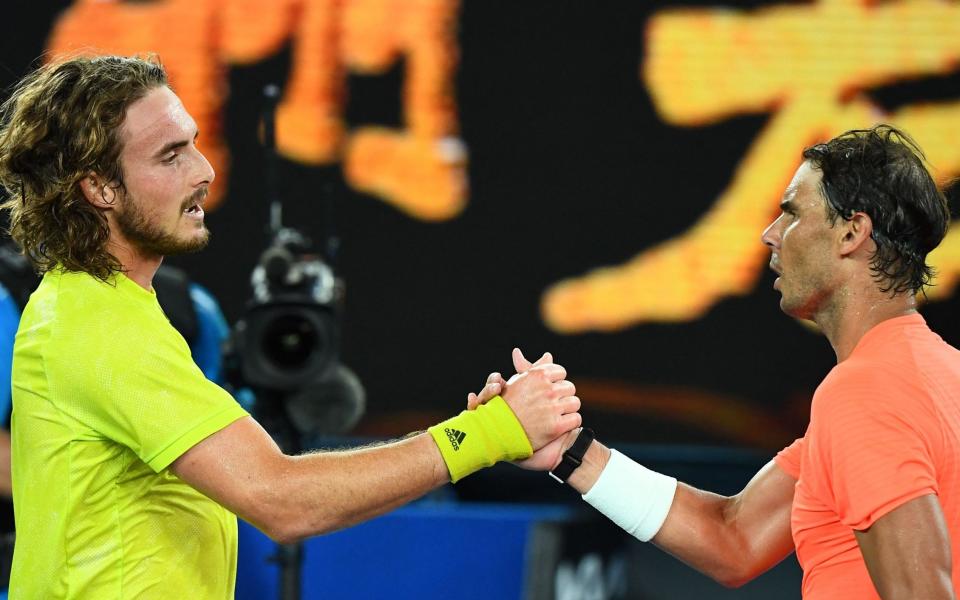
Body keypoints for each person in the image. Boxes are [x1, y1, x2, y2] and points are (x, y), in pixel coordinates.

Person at [0, 55, 582, 599]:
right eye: (170, 155)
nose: (204, 171)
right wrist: (491, 433)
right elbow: (282, 500)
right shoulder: (102, 329)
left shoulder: (97, 308)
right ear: (99, 188)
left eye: (195, 145)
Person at [474, 125, 959, 598]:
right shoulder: (933, 377)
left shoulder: (864, 393)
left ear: (852, 232)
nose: (770, 234)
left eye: (791, 213)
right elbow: (735, 538)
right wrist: (569, 451)